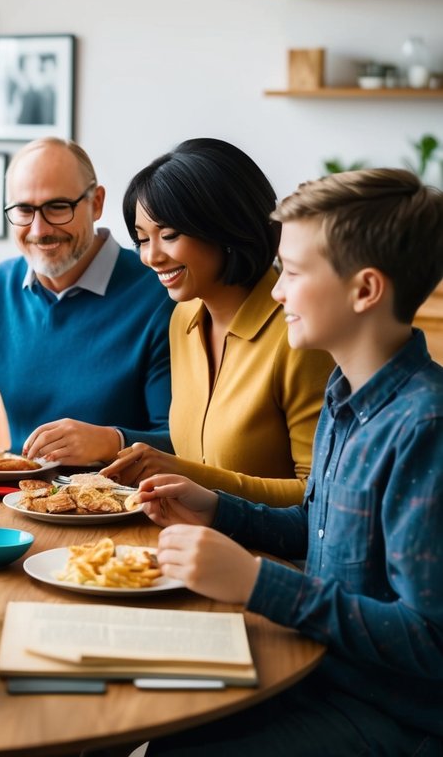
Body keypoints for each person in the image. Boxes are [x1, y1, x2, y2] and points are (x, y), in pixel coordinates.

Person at [136, 169, 443, 755]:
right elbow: (318, 527)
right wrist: (217, 509)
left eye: (294, 274)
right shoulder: (343, 394)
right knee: (161, 711)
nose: (276, 292)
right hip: (319, 670)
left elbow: (429, 639)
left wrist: (256, 582)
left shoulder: (425, 426)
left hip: (396, 716)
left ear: (365, 290)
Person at [0, 138, 175, 463]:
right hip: (16, 501)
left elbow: (180, 443)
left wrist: (110, 441)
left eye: (58, 207)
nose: (39, 229)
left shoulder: (159, 294)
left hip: (121, 508)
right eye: (23, 210)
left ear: (97, 202)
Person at [101, 139, 335, 506]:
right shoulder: (183, 319)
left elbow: (318, 498)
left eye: (169, 235)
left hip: (267, 559)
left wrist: (187, 476)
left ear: (224, 226)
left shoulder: (299, 334)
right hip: (182, 542)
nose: (151, 257)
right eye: (142, 239)